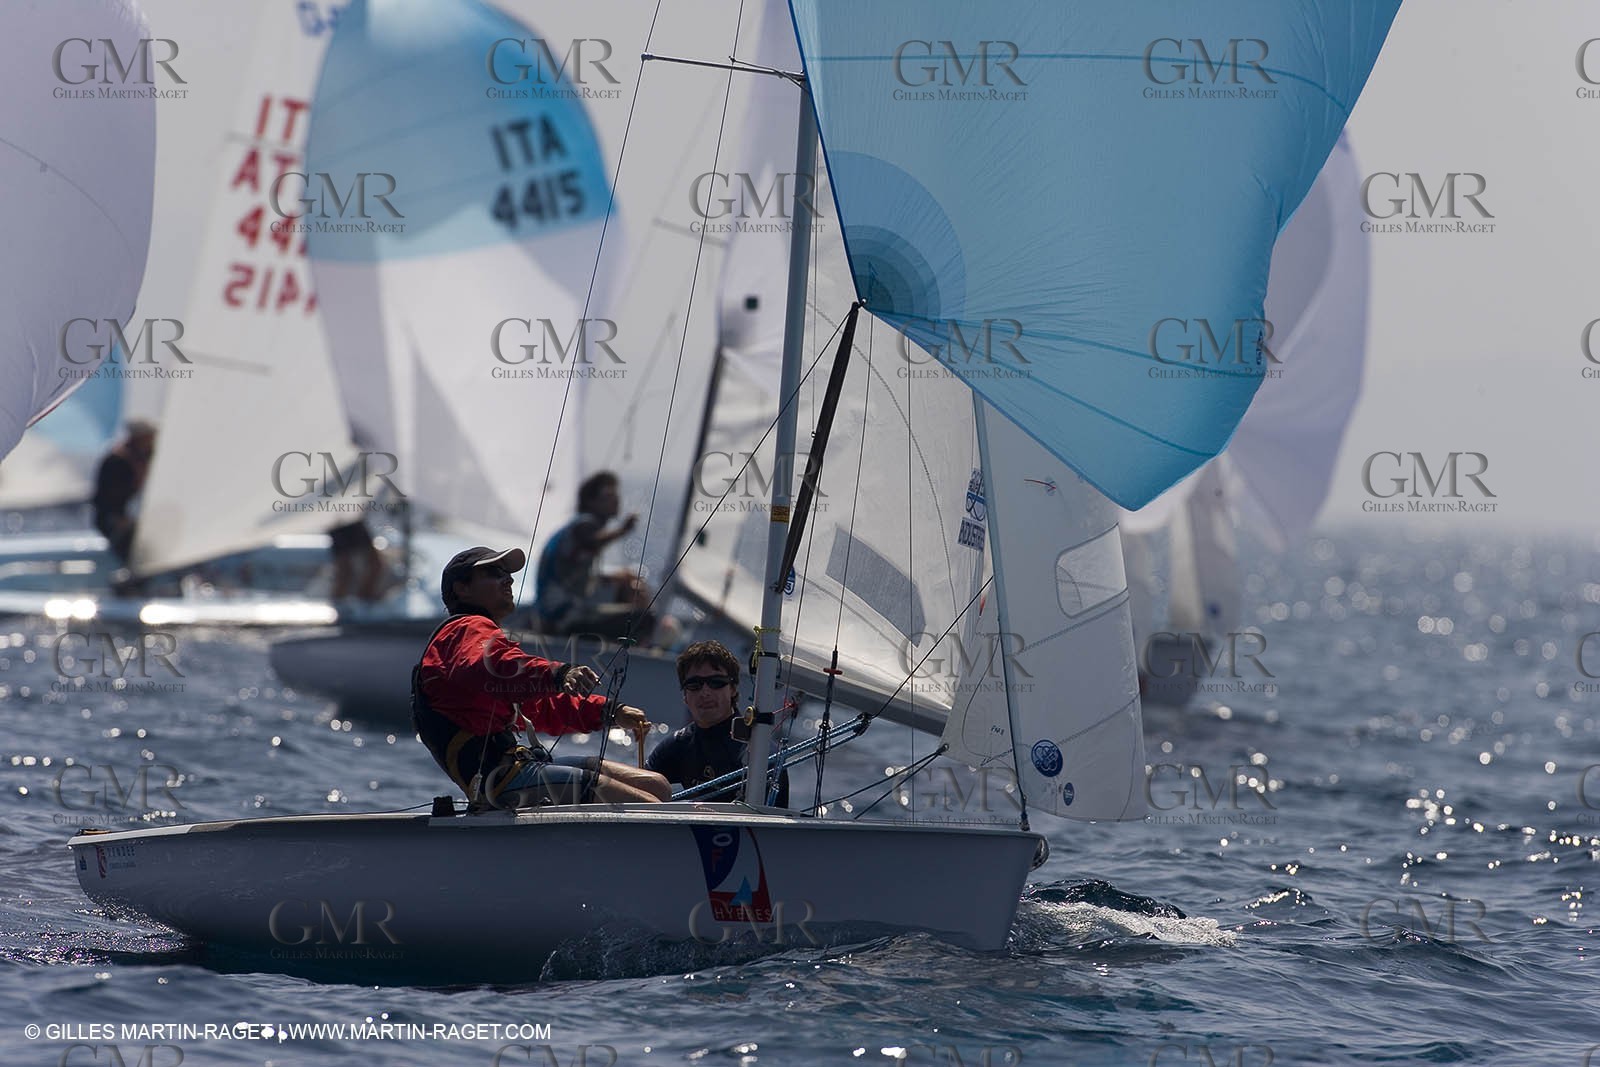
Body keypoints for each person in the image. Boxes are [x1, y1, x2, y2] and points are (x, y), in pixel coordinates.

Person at [413, 546, 671, 809]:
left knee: (656, 785)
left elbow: (540, 707)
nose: (509, 579)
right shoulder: (463, 630)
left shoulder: (473, 639)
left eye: (508, 573)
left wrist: (609, 711)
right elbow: (492, 666)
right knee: (648, 802)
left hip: (517, 769)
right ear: (462, 589)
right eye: (494, 572)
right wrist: (558, 673)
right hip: (499, 782)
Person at [646, 639, 789, 807]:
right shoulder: (678, 744)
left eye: (716, 683)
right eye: (694, 685)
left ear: (733, 689)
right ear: (685, 695)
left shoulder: (761, 753)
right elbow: (638, 790)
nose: (705, 692)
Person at [534, 471, 655, 642]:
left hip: (569, 613)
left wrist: (621, 578)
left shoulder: (578, 526)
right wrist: (622, 530)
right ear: (590, 502)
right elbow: (590, 541)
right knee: (644, 618)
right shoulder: (583, 524)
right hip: (562, 619)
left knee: (629, 583)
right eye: (607, 495)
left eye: (615, 494)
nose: (615, 499)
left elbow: (580, 574)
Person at [92, 419, 156, 565]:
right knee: (132, 551)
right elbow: (104, 499)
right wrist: (119, 518)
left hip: (124, 516)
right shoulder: (116, 461)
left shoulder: (141, 457)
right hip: (111, 518)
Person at [328, 519, 386, 604]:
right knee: (346, 571)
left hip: (347, 518)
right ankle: (361, 601)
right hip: (344, 518)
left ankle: (363, 600)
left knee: (346, 571)